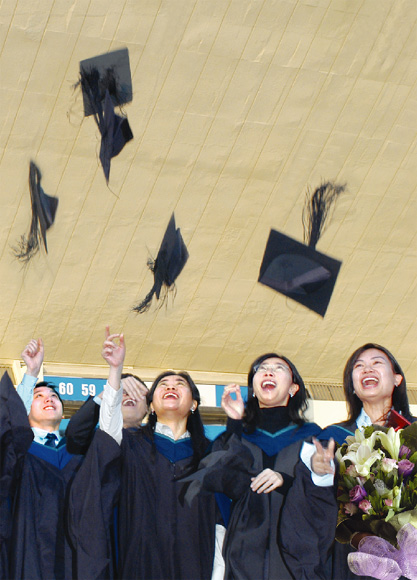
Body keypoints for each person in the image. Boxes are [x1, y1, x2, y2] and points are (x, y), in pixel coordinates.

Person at [68, 327, 219, 580]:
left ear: (194, 403)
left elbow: (221, 520)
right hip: (139, 563)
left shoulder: (211, 454)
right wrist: (115, 372)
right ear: (152, 405)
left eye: (180, 384)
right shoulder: (130, 445)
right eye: (163, 384)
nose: (171, 387)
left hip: (196, 565)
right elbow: (107, 433)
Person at [199, 352, 335, 580]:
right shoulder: (236, 435)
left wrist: (288, 480)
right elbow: (219, 479)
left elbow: (324, 500)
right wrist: (235, 423)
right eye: (261, 368)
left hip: (296, 555)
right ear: (253, 386)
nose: (269, 371)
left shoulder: (312, 437)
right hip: (244, 552)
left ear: (293, 388)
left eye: (279, 368)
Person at [292, 343, 416, 580]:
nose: (367, 369)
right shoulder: (332, 438)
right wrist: (320, 476)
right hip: (353, 562)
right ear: (353, 387)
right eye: (358, 366)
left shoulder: (414, 432)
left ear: (397, 378)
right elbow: (309, 505)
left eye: (376, 363)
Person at [2, 338, 84, 579]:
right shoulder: (17, 452)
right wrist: (32, 373)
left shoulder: (79, 455)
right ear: (25, 411)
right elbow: (8, 422)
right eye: (39, 396)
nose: (49, 399)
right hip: (27, 552)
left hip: (73, 556)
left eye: (54, 396)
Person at [65, 373, 148, 454]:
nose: (130, 395)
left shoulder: (156, 443)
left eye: (137, 392)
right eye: (122, 391)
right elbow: (75, 434)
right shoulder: (94, 440)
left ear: (147, 408)